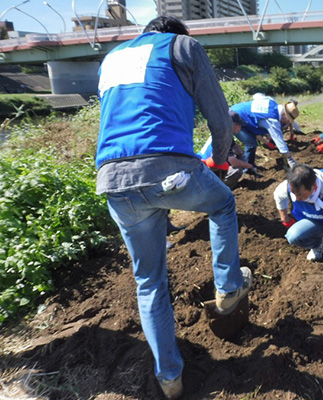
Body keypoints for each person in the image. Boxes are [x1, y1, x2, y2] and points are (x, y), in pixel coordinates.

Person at [95, 16, 252, 399]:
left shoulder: (111, 58)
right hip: (169, 168)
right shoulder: (182, 47)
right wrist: (218, 159)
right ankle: (229, 287)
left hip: (114, 180)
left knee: (149, 283)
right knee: (223, 204)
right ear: (175, 33)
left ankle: (169, 378)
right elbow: (219, 116)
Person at [230, 93, 299, 169]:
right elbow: (279, 141)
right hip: (236, 119)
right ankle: (247, 169)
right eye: (288, 120)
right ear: (283, 114)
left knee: (252, 143)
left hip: (237, 110)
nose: (287, 122)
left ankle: (250, 165)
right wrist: (290, 159)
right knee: (251, 144)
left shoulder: (272, 102)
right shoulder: (272, 121)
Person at [198, 110, 257, 189]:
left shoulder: (223, 133)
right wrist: (249, 166)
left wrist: (242, 156)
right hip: (204, 169)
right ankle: (220, 189)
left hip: (207, 165)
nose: (240, 127)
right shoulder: (223, 139)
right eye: (237, 124)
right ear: (229, 125)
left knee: (238, 159)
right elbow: (233, 162)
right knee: (237, 170)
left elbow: (235, 147)